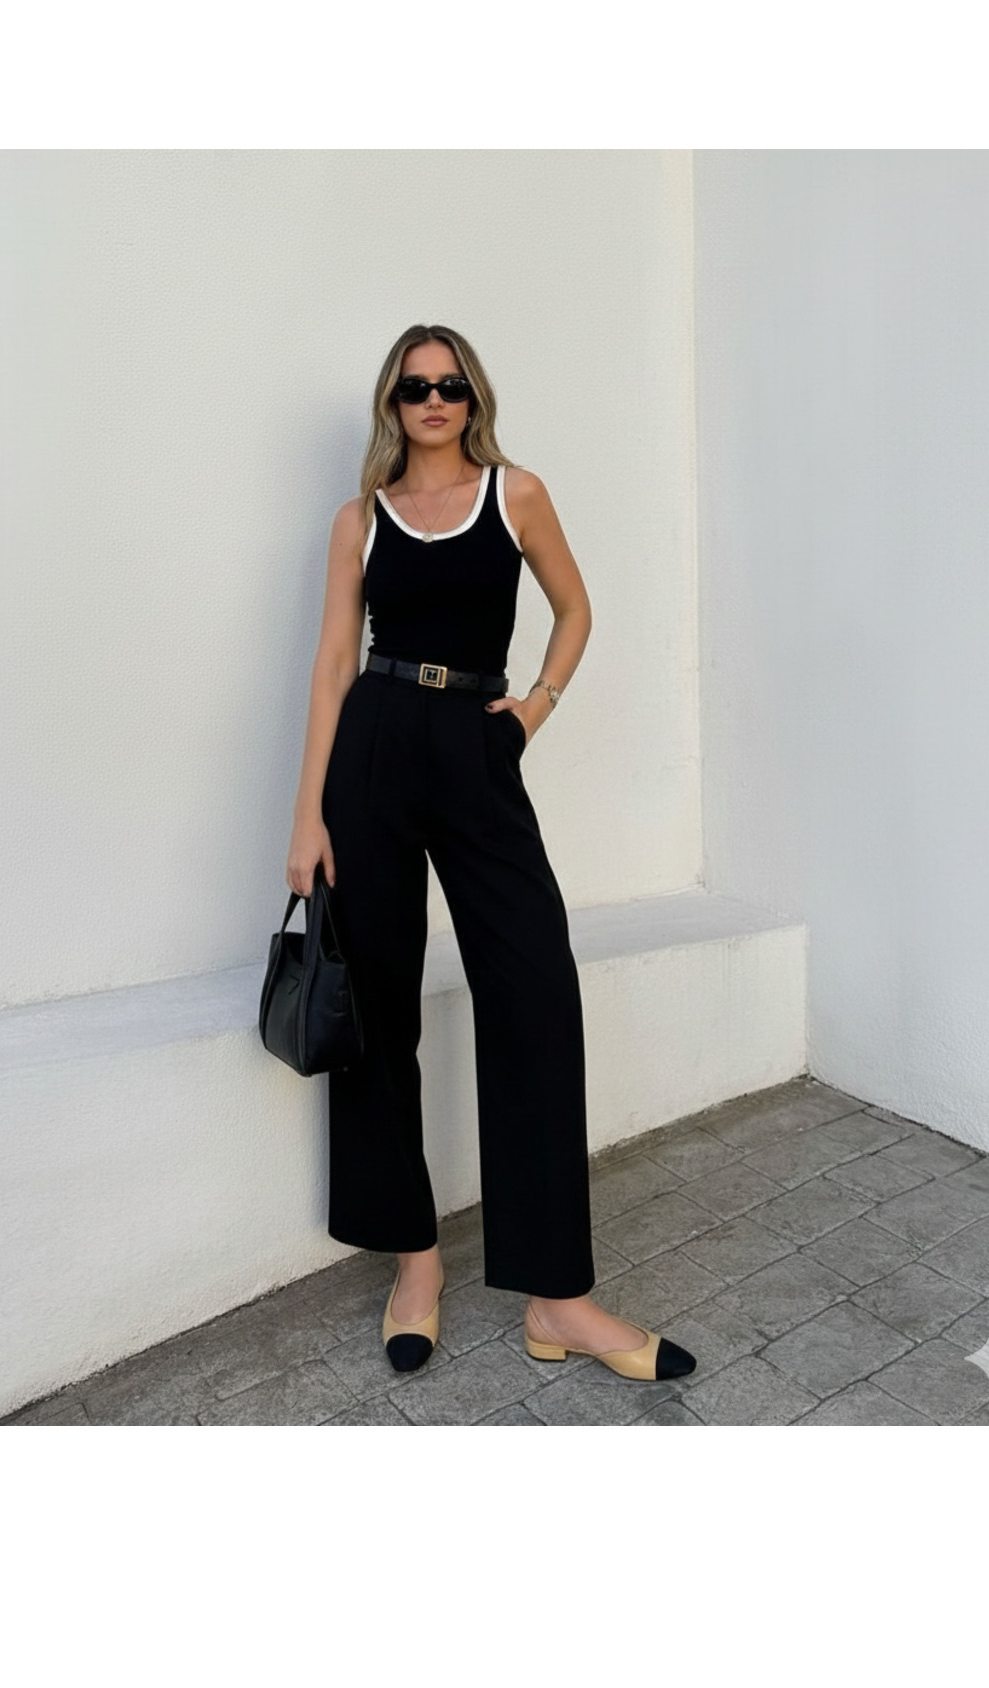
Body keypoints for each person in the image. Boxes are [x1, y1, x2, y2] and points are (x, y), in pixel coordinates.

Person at [284, 323, 696, 1387]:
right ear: (392, 403)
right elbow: (333, 663)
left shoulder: (517, 494)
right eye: (415, 386)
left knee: (535, 991)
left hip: (477, 742)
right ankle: (413, 1261)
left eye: (452, 384)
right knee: (378, 1007)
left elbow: (576, 607)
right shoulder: (358, 520)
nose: (434, 399)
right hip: (374, 747)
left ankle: (558, 1297)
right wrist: (307, 814)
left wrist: (533, 711)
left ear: (475, 397)